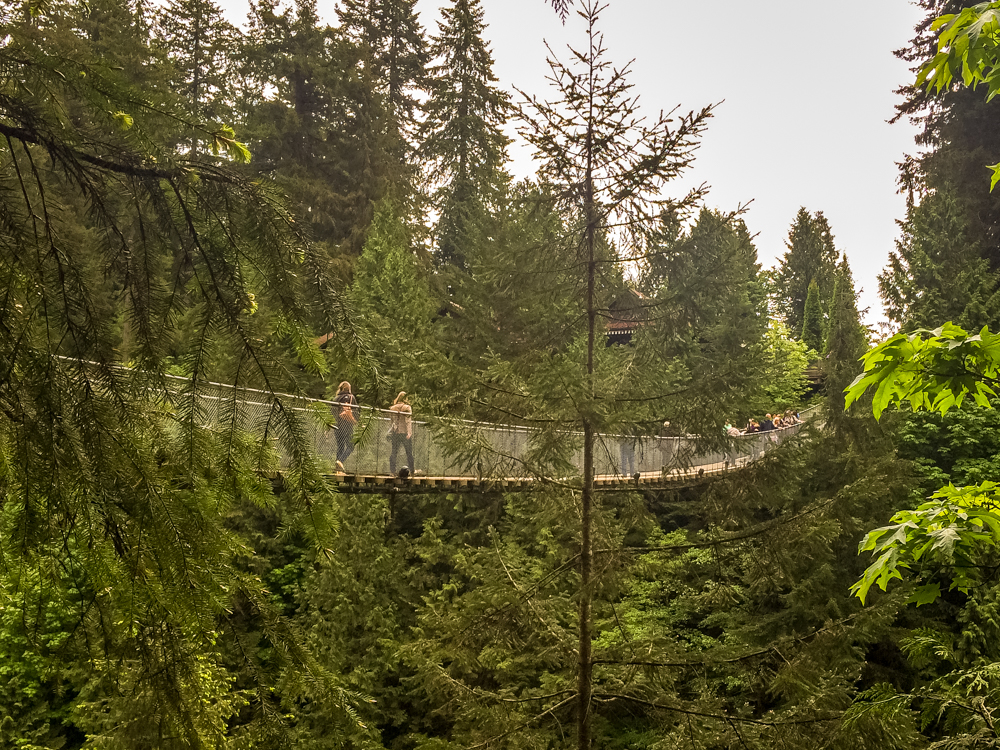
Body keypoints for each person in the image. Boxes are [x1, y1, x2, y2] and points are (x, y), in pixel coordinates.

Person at [388, 391, 414, 476]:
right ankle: (412, 470)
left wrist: (392, 431)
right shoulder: (407, 407)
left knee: (394, 452)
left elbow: (392, 422)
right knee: (409, 452)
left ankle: (392, 471)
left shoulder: (393, 408)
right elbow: (408, 421)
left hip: (396, 432)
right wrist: (409, 432)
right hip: (405, 433)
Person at [333, 381, 358, 471]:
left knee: (340, 446)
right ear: (349, 388)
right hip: (347, 424)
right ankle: (340, 461)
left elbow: (332, 412)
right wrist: (358, 421)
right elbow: (355, 410)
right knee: (351, 446)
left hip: (337, 425)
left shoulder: (336, 398)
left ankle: (338, 468)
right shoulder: (351, 397)